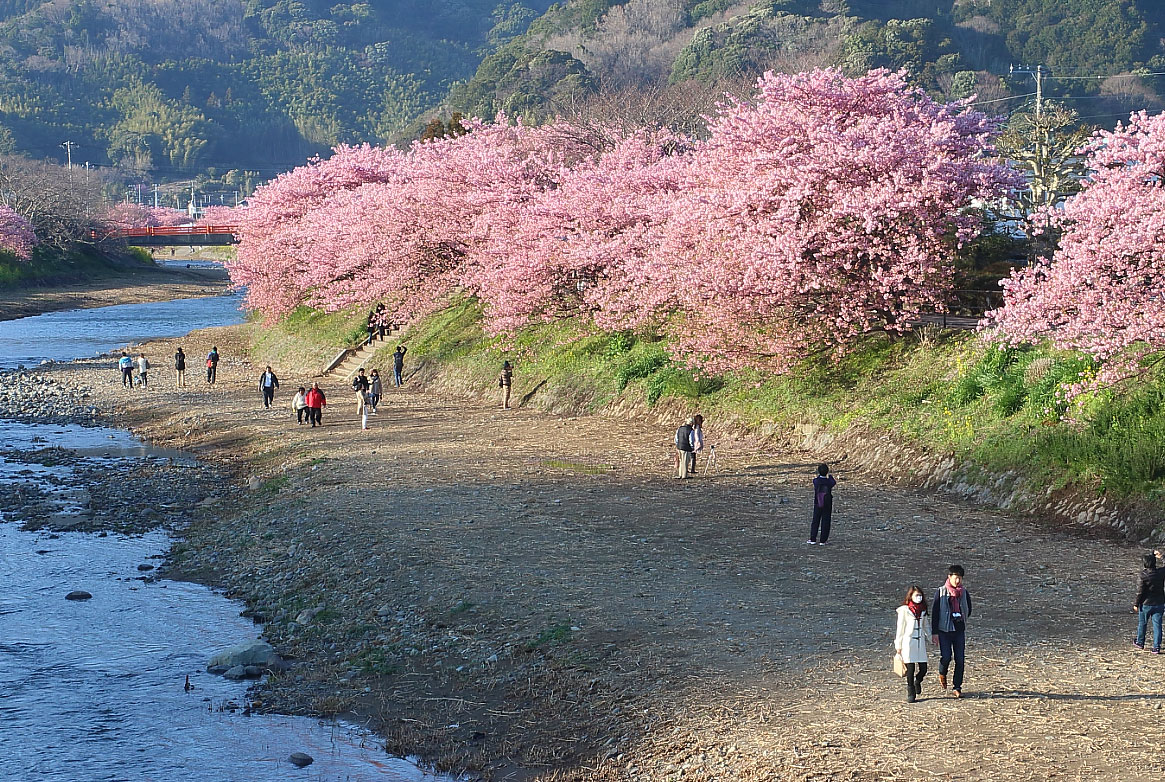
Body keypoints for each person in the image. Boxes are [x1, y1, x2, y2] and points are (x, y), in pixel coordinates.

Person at [931, 564, 972, 698]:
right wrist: (934, 632)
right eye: (956, 577)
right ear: (949, 577)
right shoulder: (941, 592)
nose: (958, 581)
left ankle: (957, 686)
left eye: (960, 578)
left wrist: (961, 618)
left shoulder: (964, 592)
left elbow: (969, 608)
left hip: (959, 630)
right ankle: (942, 673)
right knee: (947, 657)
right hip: (944, 631)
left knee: (960, 659)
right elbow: (935, 613)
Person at [894, 586, 931, 703]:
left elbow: (926, 626)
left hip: (920, 642)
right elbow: (900, 628)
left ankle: (918, 681)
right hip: (908, 642)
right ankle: (911, 691)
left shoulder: (923, 610)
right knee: (910, 669)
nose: (918, 598)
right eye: (916, 595)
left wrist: (931, 638)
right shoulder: (904, 611)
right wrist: (898, 645)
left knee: (923, 668)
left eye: (920, 595)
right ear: (911, 596)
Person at [1134, 553, 1165, 653]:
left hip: (1146, 603)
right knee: (1157, 625)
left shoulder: (1143, 575)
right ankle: (1156, 647)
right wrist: (1162, 556)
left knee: (1143, 623)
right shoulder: (1161, 572)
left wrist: (1136, 604)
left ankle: (1140, 642)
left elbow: (1140, 592)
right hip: (1159, 602)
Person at [807, 463, 836, 545]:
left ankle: (813, 539)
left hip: (817, 503)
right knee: (826, 521)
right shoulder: (829, 482)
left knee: (815, 521)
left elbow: (815, 480)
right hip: (827, 504)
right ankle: (823, 540)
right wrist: (830, 476)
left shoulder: (816, 481)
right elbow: (833, 482)